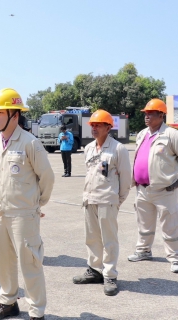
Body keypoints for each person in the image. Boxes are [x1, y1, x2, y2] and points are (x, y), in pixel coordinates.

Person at [0, 88, 54, 320]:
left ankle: (36, 312)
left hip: (24, 214)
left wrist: (37, 204)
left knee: (30, 263)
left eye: (0, 112)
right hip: (1, 212)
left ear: (15, 115)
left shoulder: (30, 143)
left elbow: (47, 177)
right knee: (2, 260)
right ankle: (8, 302)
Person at [128, 99, 178, 273]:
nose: (147, 117)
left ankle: (174, 258)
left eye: (150, 114)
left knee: (170, 225)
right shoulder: (142, 134)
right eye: (145, 114)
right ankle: (143, 251)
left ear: (161, 115)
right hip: (142, 189)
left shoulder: (172, 135)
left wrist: (173, 171)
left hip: (164, 190)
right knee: (144, 224)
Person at [72, 110, 131, 296]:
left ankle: (110, 275)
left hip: (108, 200)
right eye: (92, 125)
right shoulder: (89, 148)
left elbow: (126, 179)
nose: (94, 128)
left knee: (109, 240)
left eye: (98, 125)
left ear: (108, 127)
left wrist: (117, 200)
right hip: (89, 200)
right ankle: (95, 270)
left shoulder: (118, 149)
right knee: (92, 238)